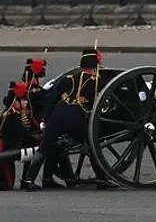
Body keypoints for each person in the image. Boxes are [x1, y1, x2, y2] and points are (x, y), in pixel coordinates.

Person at [21, 49, 100, 190]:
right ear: (95, 65)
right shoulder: (96, 81)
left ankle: (29, 180)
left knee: (44, 148)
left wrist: (45, 119)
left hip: (57, 116)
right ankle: (102, 176)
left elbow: (51, 98)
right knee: (91, 144)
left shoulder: (68, 78)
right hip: (76, 117)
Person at [0, 82, 40, 189]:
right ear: (15, 101)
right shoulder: (9, 116)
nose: (26, 102)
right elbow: (21, 132)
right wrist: (33, 136)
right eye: (23, 100)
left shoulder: (23, 113)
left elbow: (32, 128)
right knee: (7, 185)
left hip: (16, 144)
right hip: (4, 148)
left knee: (33, 150)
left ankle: (27, 179)